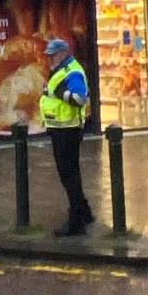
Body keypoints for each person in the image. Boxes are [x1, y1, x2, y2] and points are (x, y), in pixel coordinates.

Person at [40, 38, 93, 236]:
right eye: (49, 55)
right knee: (71, 174)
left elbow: (80, 99)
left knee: (69, 176)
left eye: (53, 55)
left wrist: (59, 92)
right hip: (60, 128)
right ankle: (84, 212)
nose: (50, 58)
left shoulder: (73, 71)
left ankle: (76, 222)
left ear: (63, 53)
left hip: (68, 130)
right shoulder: (63, 70)